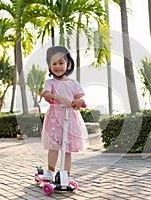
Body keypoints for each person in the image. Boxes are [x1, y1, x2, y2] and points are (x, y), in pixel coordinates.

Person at [41, 46, 89, 181]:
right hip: (55, 118)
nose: (57, 66)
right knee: (54, 145)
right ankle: (50, 171)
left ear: (68, 65)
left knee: (67, 149)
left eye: (61, 63)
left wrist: (80, 102)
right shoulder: (50, 82)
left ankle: (66, 174)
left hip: (70, 118)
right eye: (53, 63)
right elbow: (46, 95)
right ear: (50, 67)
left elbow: (80, 98)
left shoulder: (74, 83)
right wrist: (58, 97)